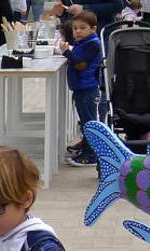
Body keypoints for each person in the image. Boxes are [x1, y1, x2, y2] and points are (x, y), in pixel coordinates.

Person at [60, 11, 102, 167]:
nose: (77, 31)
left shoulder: (92, 44)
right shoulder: (83, 42)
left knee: (89, 122)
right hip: (80, 87)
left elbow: (81, 64)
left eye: (82, 28)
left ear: (93, 29)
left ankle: (91, 154)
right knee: (84, 121)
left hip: (88, 87)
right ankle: (86, 145)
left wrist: (67, 53)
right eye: (75, 28)